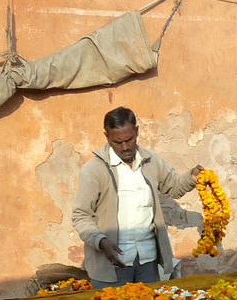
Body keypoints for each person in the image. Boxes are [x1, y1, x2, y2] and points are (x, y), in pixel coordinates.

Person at [72, 106, 203, 289]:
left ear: (137, 131)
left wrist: (191, 178)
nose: (125, 147)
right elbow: (81, 216)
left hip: (147, 261)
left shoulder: (151, 160)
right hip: (111, 264)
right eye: (118, 142)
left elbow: (173, 186)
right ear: (107, 137)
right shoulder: (94, 170)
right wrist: (101, 242)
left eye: (129, 139)